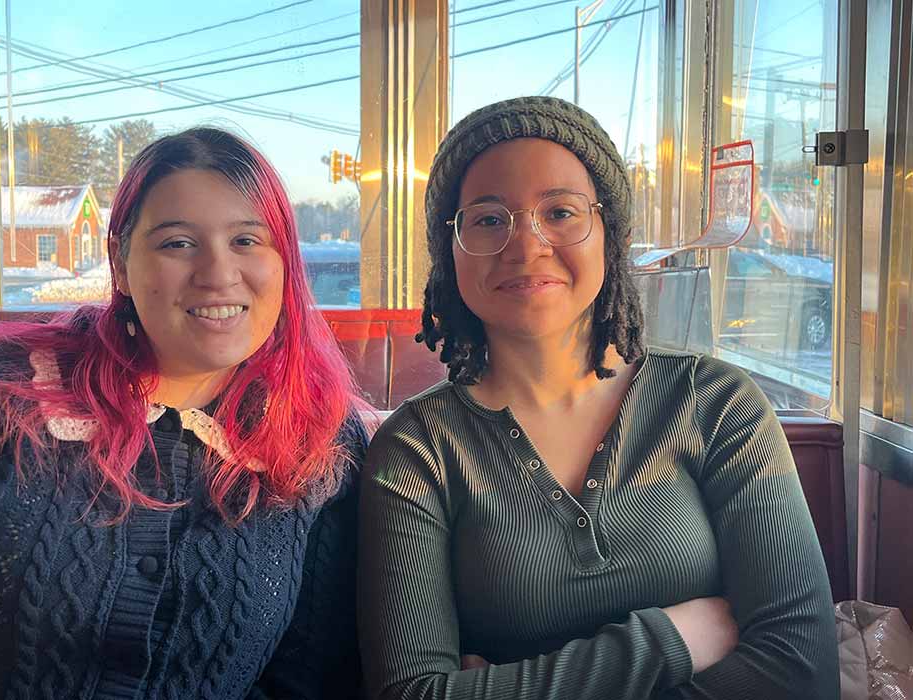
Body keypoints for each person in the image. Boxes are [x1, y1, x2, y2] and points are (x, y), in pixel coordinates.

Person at [0, 127, 366, 700]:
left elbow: (317, 678)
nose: (218, 273)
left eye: (247, 240)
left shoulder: (320, 439)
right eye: (177, 243)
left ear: (284, 264)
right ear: (121, 263)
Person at [358, 96, 838, 699]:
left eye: (559, 212)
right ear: (449, 252)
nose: (525, 245)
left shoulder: (717, 406)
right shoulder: (416, 451)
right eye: (487, 218)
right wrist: (675, 639)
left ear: (609, 234)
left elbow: (799, 676)